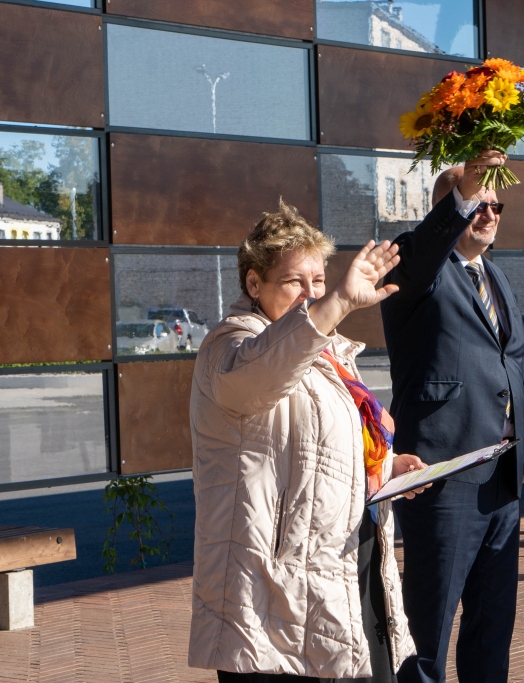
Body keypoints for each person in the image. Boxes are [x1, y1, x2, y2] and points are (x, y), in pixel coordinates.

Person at [189, 200, 429, 682]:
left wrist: (388, 467)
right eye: (294, 281)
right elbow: (260, 375)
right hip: (271, 590)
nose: (310, 293)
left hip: (344, 567)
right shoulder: (231, 343)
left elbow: (324, 450)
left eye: (318, 281)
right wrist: (336, 301)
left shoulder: (328, 350)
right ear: (253, 283)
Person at [380, 153, 524, 683]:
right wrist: (466, 191)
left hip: (502, 481)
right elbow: (425, 247)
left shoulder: (498, 278)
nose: (489, 213)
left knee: (490, 627)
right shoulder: (415, 269)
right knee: (428, 628)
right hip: (441, 475)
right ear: (448, 208)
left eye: (495, 205)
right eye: (478, 202)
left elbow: (517, 374)